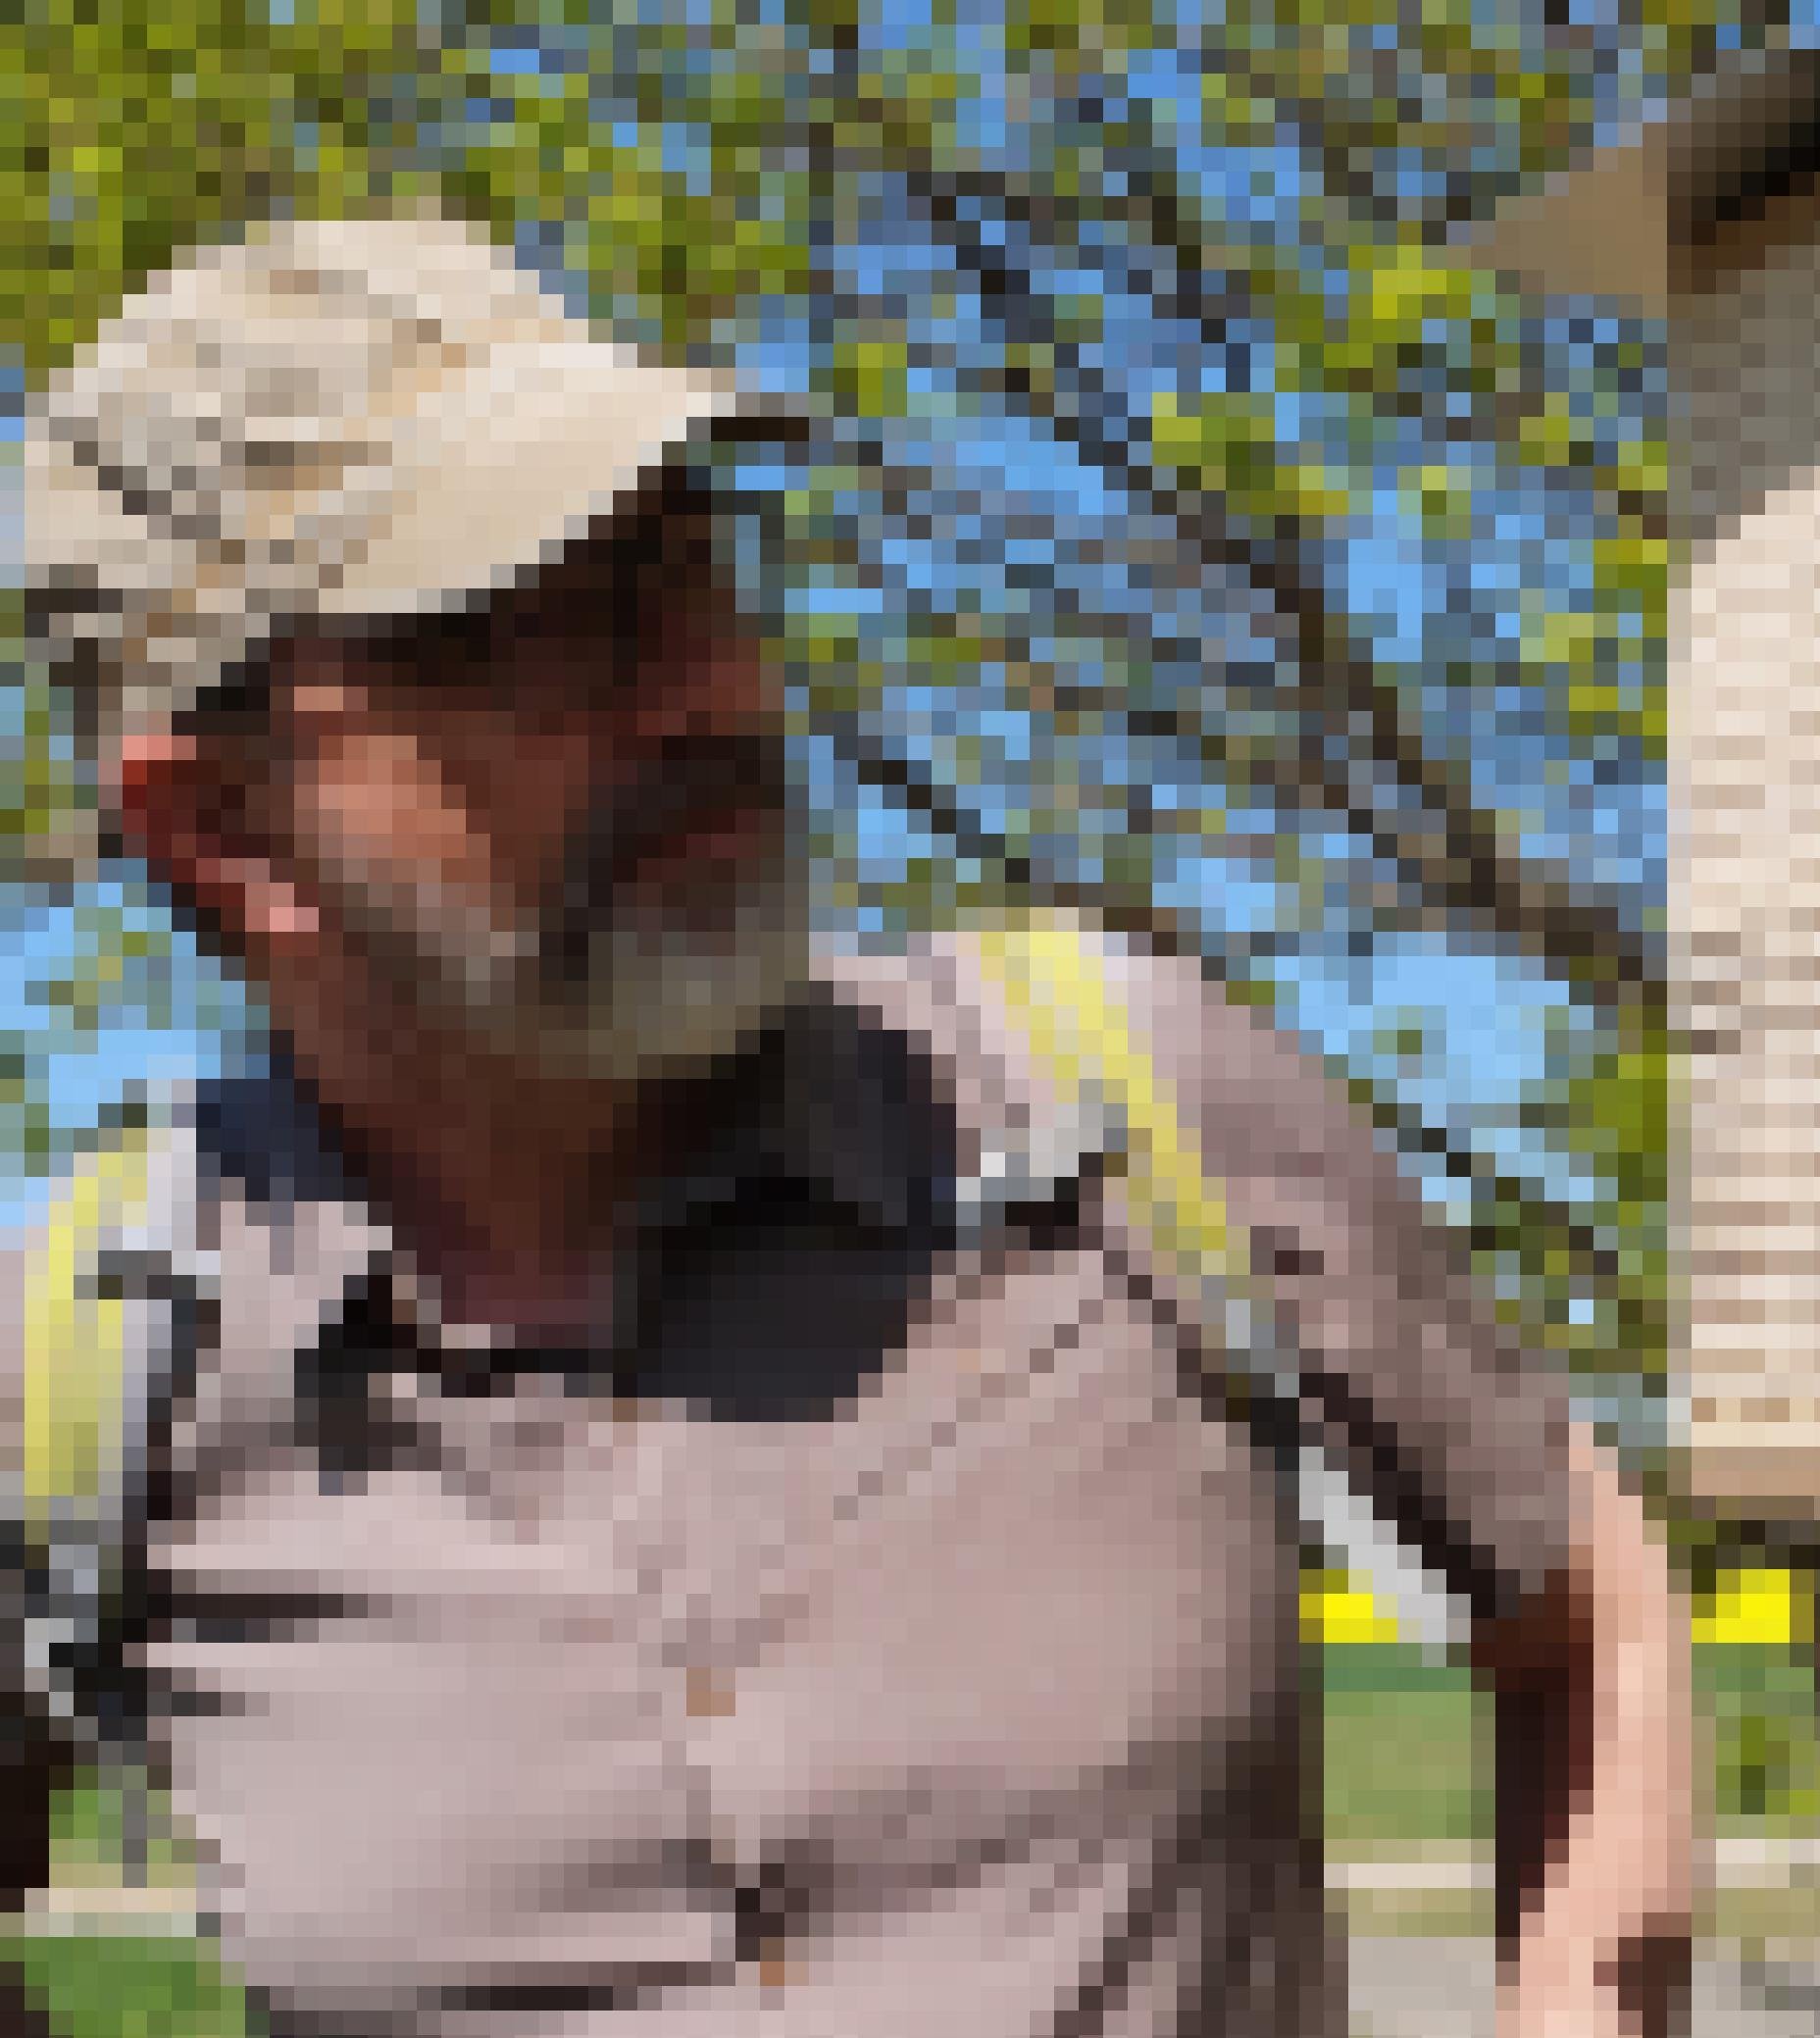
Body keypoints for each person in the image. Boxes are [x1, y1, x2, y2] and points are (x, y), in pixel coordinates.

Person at [3, 209, 1694, 2038]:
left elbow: (1579, 1601)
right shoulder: (86, 1371)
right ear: (220, 833)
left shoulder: (1122, 1102)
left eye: (688, 569)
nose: (707, 688)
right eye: (544, 630)